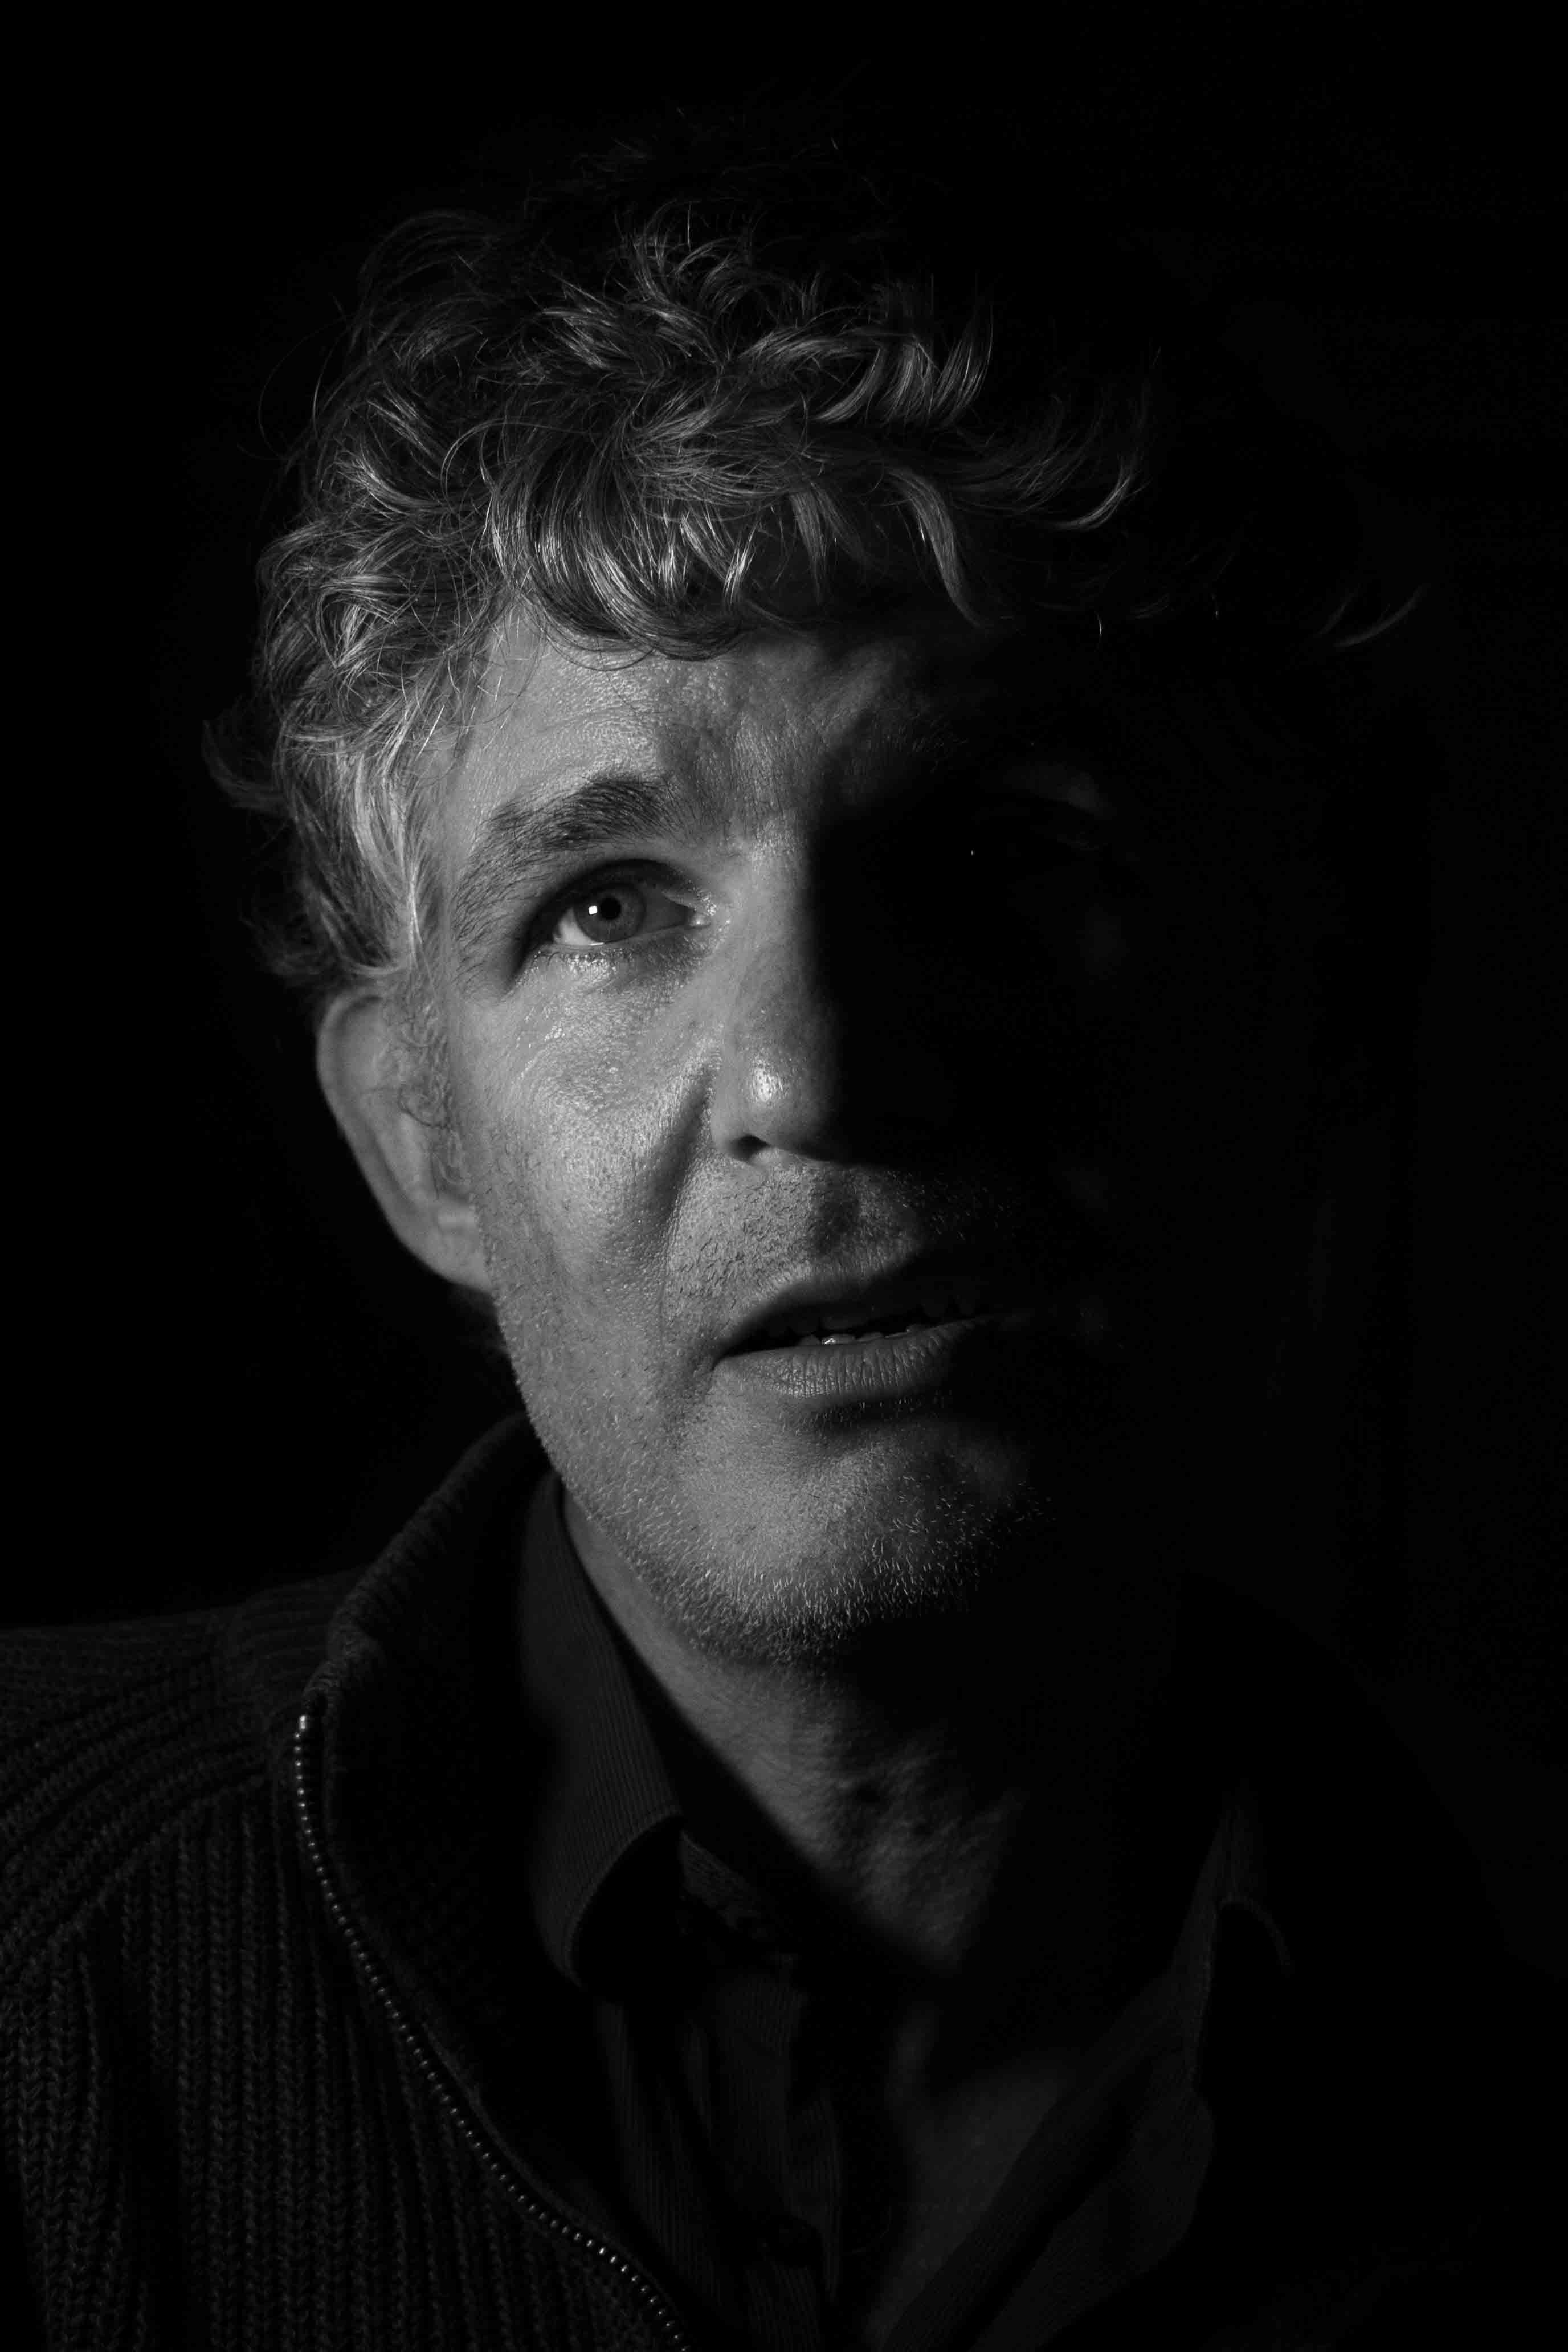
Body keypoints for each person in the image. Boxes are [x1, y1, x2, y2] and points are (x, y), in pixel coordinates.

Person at [3, 118, 1554, 2349]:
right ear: (424, 1139)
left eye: (997, 853)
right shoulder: (33, 1953)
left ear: (1305, 1012)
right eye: (607, 907)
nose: (814, 1076)